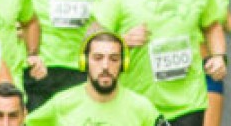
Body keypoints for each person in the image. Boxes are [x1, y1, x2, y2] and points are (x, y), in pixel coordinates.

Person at [91, 0, 229, 126]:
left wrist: (218, 56)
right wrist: (122, 41)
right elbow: (91, 39)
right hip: (138, 103)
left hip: (188, 102)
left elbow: (212, 26)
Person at [30, 32, 164, 125]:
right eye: (98, 58)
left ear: (123, 64)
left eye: (114, 59)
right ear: (84, 62)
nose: (105, 66)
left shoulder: (142, 107)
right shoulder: (62, 103)